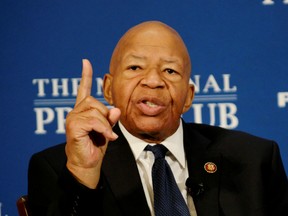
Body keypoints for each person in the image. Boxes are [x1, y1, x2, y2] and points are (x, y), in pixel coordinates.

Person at [28, 21, 288, 216]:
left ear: (188, 96)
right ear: (108, 88)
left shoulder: (254, 160)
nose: (153, 81)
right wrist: (84, 174)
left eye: (170, 70)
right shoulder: (59, 167)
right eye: (135, 67)